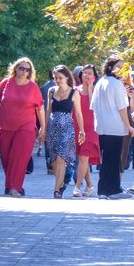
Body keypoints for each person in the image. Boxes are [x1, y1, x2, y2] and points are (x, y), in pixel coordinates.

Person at [0, 57, 46, 197]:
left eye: (27, 69)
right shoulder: (6, 83)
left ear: (30, 72)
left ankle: (14, 187)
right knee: (7, 158)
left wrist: (43, 127)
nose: (23, 71)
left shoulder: (33, 87)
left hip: (26, 127)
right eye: (21, 68)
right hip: (5, 126)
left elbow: (40, 109)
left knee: (19, 157)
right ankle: (10, 186)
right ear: (15, 68)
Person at [89, 55, 134, 199]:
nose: (121, 70)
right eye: (118, 66)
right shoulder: (116, 84)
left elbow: (93, 106)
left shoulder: (100, 82)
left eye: (123, 67)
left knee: (106, 160)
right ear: (110, 67)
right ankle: (113, 190)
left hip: (101, 126)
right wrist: (129, 127)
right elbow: (122, 108)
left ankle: (103, 190)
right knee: (113, 160)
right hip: (115, 127)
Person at [44, 65, 85, 198]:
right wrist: (43, 128)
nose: (58, 80)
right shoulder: (51, 91)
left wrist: (82, 131)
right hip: (52, 127)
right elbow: (48, 111)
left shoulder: (74, 93)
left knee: (61, 158)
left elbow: (78, 113)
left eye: (60, 78)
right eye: (55, 78)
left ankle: (56, 189)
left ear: (67, 77)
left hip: (67, 127)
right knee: (54, 160)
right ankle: (61, 184)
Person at [72, 64, 99, 197]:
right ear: (80, 75)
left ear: (94, 76)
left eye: (90, 73)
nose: (87, 76)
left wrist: (90, 89)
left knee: (83, 157)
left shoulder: (96, 90)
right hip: (77, 127)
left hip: (91, 128)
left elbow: (93, 106)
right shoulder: (75, 90)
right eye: (85, 73)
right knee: (82, 157)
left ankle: (77, 186)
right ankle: (90, 185)